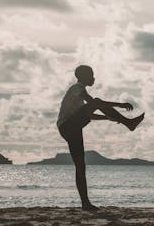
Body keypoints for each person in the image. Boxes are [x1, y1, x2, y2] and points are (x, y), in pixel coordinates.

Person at [57, 65, 144, 210]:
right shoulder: (77, 88)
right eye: (91, 75)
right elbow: (94, 104)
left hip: (71, 128)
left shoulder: (78, 94)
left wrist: (107, 117)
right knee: (96, 101)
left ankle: (85, 204)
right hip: (68, 126)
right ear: (83, 76)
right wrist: (119, 105)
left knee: (80, 166)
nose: (93, 78)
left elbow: (89, 114)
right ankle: (129, 123)